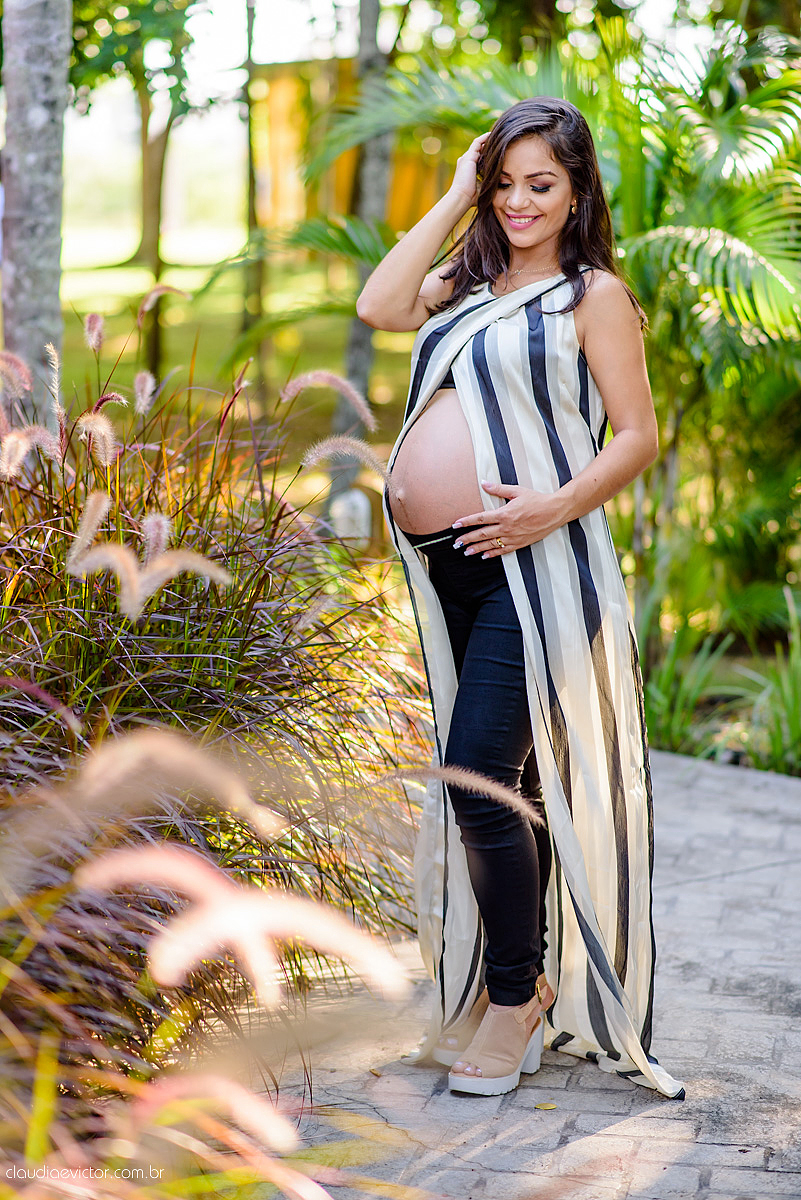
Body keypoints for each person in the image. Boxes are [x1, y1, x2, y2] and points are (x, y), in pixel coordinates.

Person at [357, 97, 683, 1100]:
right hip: (452, 567)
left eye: (540, 183)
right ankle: (516, 980)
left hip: (539, 566)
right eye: (504, 184)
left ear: (577, 189)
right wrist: (457, 189)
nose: (520, 201)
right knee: (516, 785)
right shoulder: (469, 281)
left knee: (474, 781)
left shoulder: (593, 296)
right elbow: (378, 302)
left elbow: (637, 435)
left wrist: (549, 510)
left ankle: (514, 997)